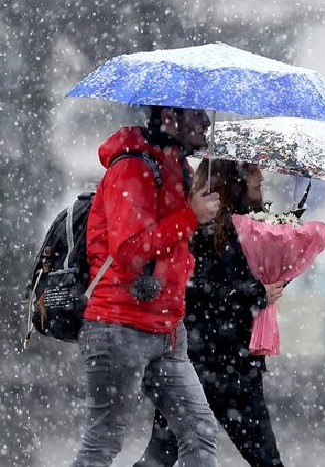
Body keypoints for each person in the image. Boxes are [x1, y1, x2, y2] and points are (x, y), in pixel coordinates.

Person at [71, 106, 221, 467]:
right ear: (169, 115)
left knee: (201, 433)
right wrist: (190, 217)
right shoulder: (133, 167)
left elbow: (174, 246)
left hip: (167, 329)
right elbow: (130, 249)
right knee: (102, 444)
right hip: (118, 325)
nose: (206, 121)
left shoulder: (179, 169)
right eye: (196, 114)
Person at [134, 158, 286, 467]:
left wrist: (277, 278)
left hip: (238, 367)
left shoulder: (257, 226)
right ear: (233, 178)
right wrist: (254, 293)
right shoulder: (198, 228)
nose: (261, 175)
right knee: (160, 456)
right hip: (199, 363)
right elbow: (192, 289)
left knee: (266, 460)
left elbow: (241, 287)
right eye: (253, 169)